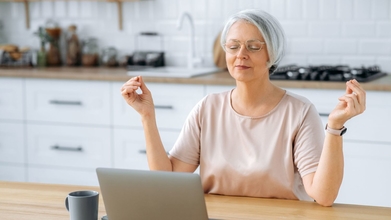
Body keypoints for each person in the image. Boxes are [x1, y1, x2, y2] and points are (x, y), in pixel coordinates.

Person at [121, 9, 366, 207]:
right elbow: (169, 180)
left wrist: (334, 127)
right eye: (233, 46)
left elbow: (323, 196)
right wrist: (147, 116)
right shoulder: (208, 108)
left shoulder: (299, 112)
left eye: (253, 46)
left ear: (272, 53)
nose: (241, 54)